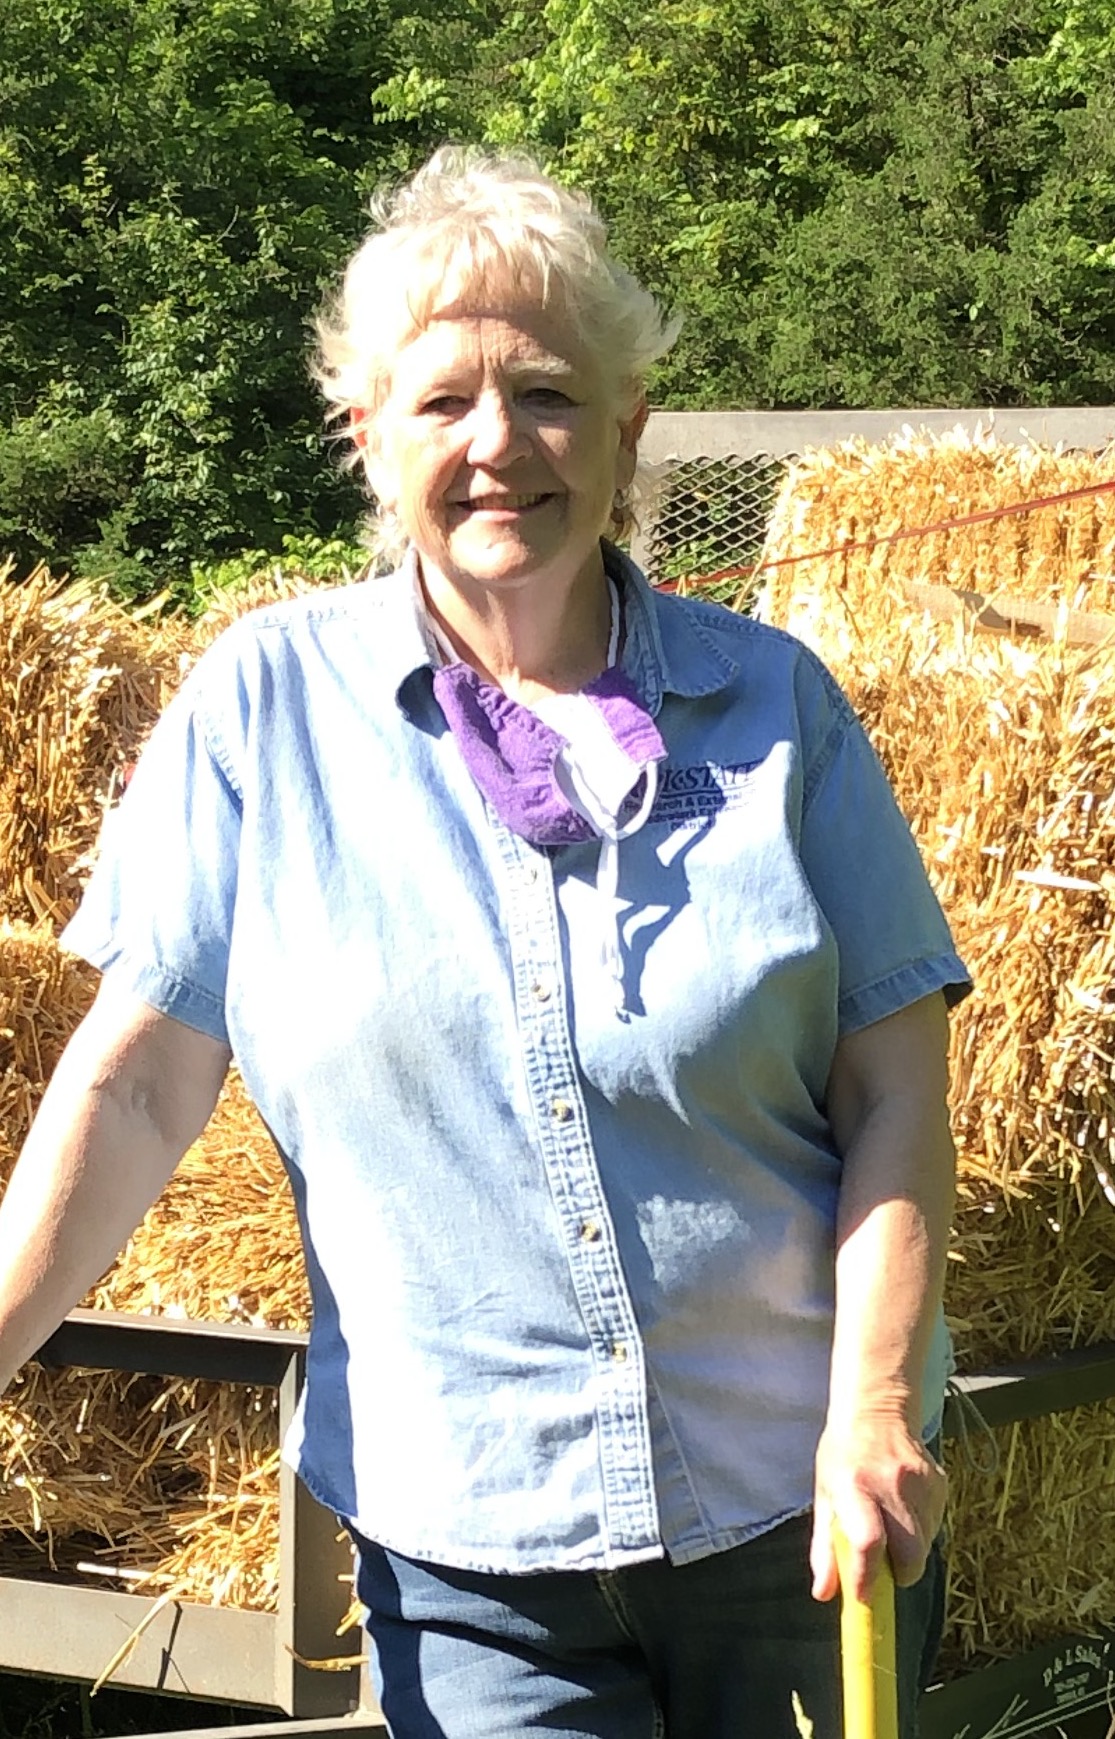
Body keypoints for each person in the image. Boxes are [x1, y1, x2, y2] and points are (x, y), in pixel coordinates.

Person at [0, 147, 970, 1738]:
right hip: (468, 1555)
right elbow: (135, 1086)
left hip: (798, 1522)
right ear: (367, 434)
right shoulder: (263, 711)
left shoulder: (779, 708)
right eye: (442, 401)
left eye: (548, 395)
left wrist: (872, 1409)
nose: (497, 443)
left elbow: (896, 1095)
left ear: (631, 426)